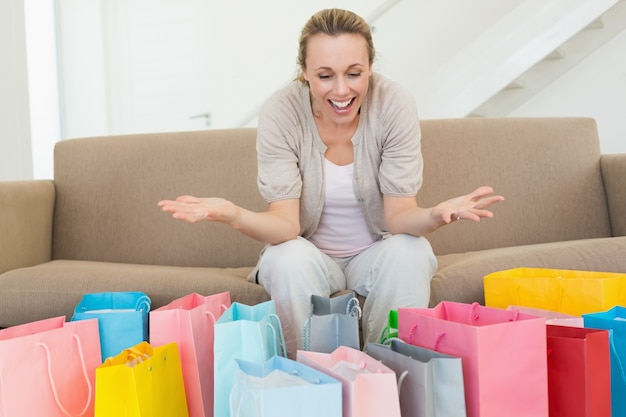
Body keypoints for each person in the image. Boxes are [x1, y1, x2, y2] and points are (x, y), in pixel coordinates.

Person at [158, 8, 504, 357]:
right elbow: (285, 225)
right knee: (284, 259)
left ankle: (391, 377)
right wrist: (232, 214)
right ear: (305, 73)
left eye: (354, 73)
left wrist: (437, 214)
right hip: (310, 256)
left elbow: (400, 218)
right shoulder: (282, 111)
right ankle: (311, 376)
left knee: (411, 251)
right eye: (325, 76)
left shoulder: (393, 103)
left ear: (370, 67)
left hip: (375, 252)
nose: (342, 90)